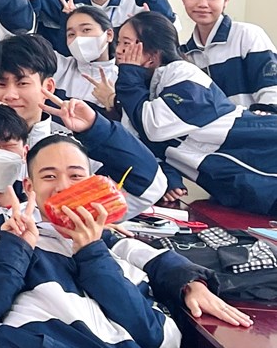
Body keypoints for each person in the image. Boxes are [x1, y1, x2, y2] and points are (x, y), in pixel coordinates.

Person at [0, 104, 251, 348]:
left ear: (24, 153)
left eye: (8, 145)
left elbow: (135, 250)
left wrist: (187, 281)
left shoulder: (56, 212)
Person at [0, 33, 167, 216]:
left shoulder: (71, 146)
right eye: (0, 84)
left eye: (22, 83)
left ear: (47, 86)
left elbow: (149, 185)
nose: (10, 95)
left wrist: (96, 128)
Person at [115, 11, 277, 215]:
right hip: (238, 181)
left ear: (153, 55)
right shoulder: (141, 89)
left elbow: (154, 126)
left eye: (127, 43)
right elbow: (140, 144)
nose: (118, 50)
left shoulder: (182, 72)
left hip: (263, 151)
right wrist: (171, 178)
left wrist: (127, 78)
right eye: (118, 43)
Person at [178, 0, 277, 109]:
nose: (203, 4)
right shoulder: (185, 54)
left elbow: (272, 93)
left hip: (256, 122)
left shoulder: (247, 35)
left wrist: (257, 119)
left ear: (226, 0)